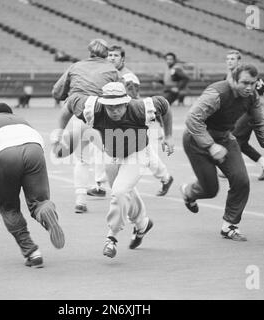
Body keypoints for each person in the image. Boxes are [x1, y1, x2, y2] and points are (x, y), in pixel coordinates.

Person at [52, 82, 174, 258]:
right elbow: (69, 105)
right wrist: (57, 136)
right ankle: (142, 224)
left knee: (119, 191)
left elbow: (165, 105)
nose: (114, 110)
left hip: (138, 153)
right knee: (125, 193)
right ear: (103, 103)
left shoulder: (141, 108)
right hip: (111, 154)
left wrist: (168, 136)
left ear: (126, 102)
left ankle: (112, 237)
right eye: (110, 107)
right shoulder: (92, 108)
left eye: (118, 106)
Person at [180, 64, 264, 241]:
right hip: (196, 140)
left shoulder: (252, 96)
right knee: (210, 190)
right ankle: (188, 191)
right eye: (244, 83)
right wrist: (210, 145)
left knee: (241, 180)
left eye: (253, 83)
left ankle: (229, 225)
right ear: (233, 80)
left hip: (225, 138)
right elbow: (192, 119)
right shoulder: (217, 93)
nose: (249, 87)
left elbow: (259, 120)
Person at [0, 103, 65, 268]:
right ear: (10, 113)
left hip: (3, 154)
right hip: (34, 150)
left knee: (9, 208)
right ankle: (46, 211)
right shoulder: (21, 120)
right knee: (39, 202)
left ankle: (32, 252)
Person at [52, 39, 120, 213]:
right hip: (102, 118)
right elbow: (121, 96)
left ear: (89, 52)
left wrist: (72, 96)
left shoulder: (75, 67)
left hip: (79, 116)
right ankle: (117, 197)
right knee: (111, 158)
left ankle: (80, 201)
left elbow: (57, 92)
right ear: (106, 54)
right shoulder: (112, 70)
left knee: (81, 160)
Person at [106, 45, 174, 196]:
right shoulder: (110, 74)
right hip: (119, 122)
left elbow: (131, 101)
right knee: (144, 152)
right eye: (109, 55)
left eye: (115, 56)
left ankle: (104, 184)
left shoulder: (128, 77)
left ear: (122, 59)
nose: (111, 58)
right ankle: (165, 177)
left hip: (131, 121)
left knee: (140, 152)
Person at [224, 50, 264, 181]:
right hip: (240, 113)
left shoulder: (248, 76)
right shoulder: (228, 77)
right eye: (228, 59)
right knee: (240, 142)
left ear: (239, 61)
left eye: (233, 59)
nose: (230, 61)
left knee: (233, 138)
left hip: (249, 112)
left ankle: (227, 168)